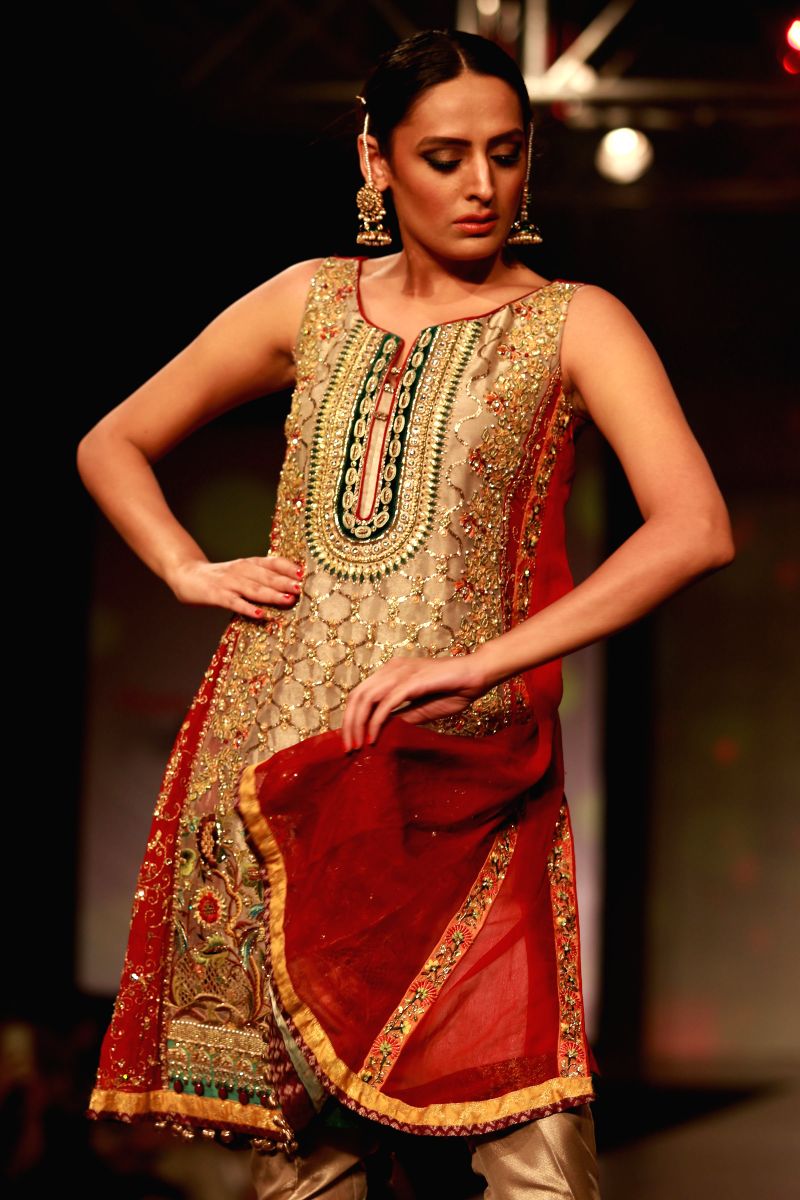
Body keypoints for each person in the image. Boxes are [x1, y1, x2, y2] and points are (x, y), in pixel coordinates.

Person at [77, 27, 735, 1200]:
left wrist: (484, 661)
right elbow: (110, 440)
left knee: (536, 1158)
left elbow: (691, 527)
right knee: (311, 1171)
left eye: (504, 152)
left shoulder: (576, 321)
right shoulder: (310, 301)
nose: (480, 185)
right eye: (443, 157)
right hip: (288, 768)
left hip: (462, 775)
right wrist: (183, 566)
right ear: (378, 163)